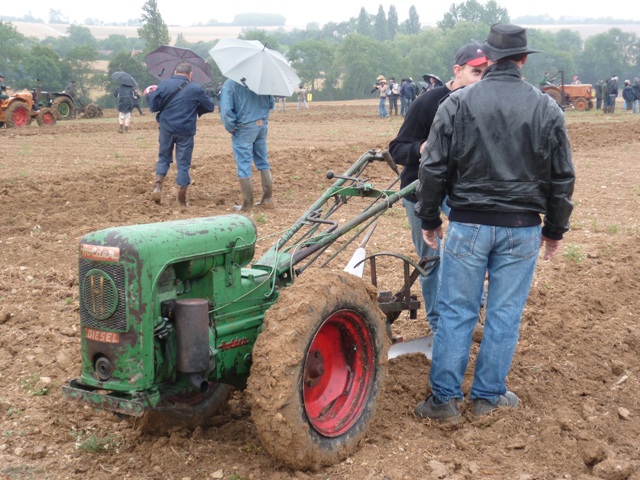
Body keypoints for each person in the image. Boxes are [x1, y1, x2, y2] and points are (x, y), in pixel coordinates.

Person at [414, 24, 575, 425]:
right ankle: (488, 397)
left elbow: (432, 168)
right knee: (505, 313)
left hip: (467, 224)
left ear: (489, 58)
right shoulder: (547, 108)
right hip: (522, 228)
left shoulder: (456, 103)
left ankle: (444, 402)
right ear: (522, 60)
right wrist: (554, 229)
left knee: (456, 312)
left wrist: (429, 218)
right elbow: (562, 177)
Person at [389, 43, 488, 335]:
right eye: (476, 72)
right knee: (432, 258)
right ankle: (437, 324)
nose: (482, 78)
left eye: (486, 72)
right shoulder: (429, 102)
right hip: (420, 187)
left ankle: (473, 314)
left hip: (460, 189)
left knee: (473, 251)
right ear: (457, 71)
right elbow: (396, 148)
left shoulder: (484, 102)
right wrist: (421, 147)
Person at [146, 63, 215, 207]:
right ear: (190, 75)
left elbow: (154, 107)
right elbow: (209, 106)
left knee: (164, 158)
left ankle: (158, 185)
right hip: (186, 130)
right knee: (183, 163)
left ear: (175, 71)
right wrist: (196, 107)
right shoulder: (195, 88)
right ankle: (182, 197)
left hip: (166, 129)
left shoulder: (163, 85)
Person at [219, 78, 275, 211]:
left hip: (244, 127)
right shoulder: (262, 81)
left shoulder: (231, 84)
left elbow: (226, 111)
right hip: (262, 124)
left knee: (244, 164)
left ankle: (247, 204)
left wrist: (231, 127)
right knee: (262, 161)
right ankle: (267, 199)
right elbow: (271, 103)